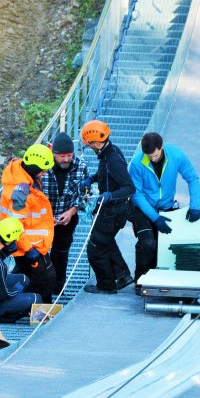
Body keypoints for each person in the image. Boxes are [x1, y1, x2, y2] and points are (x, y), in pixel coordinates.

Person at [128, 132, 200, 285]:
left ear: (161, 147)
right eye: (149, 156)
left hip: (166, 206)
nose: (153, 159)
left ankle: (156, 280)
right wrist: (155, 218)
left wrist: (195, 206)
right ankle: (140, 281)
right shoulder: (136, 163)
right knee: (148, 244)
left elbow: (192, 178)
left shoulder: (176, 156)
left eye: (155, 155)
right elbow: (136, 194)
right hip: (142, 208)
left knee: (163, 246)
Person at [80, 119, 136, 294]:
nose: (89, 146)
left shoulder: (113, 160)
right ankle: (123, 275)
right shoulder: (109, 152)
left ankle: (106, 285)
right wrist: (92, 179)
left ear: (97, 143)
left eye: (89, 144)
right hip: (111, 210)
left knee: (96, 248)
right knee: (106, 241)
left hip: (113, 212)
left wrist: (110, 195)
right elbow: (105, 174)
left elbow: (129, 188)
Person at [0, 144, 57, 303]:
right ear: (34, 167)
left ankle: (31, 309)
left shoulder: (26, 177)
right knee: (43, 280)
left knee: (33, 279)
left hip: (31, 244)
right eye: (42, 171)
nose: (44, 174)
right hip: (28, 246)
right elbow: (15, 225)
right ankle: (37, 310)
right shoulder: (21, 193)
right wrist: (29, 250)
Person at [45, 132, 92, 293]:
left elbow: (85, 195)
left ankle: (57, 288)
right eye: (62, 156)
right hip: (43, 219)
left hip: (67, 218)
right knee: (39, 253)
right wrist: (46, 217)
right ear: (53, 154)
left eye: (69, 156)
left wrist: (71, 212)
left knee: (61, 253)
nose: (66, 159)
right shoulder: (43, 166)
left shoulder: (81, 166)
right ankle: (41, 287)